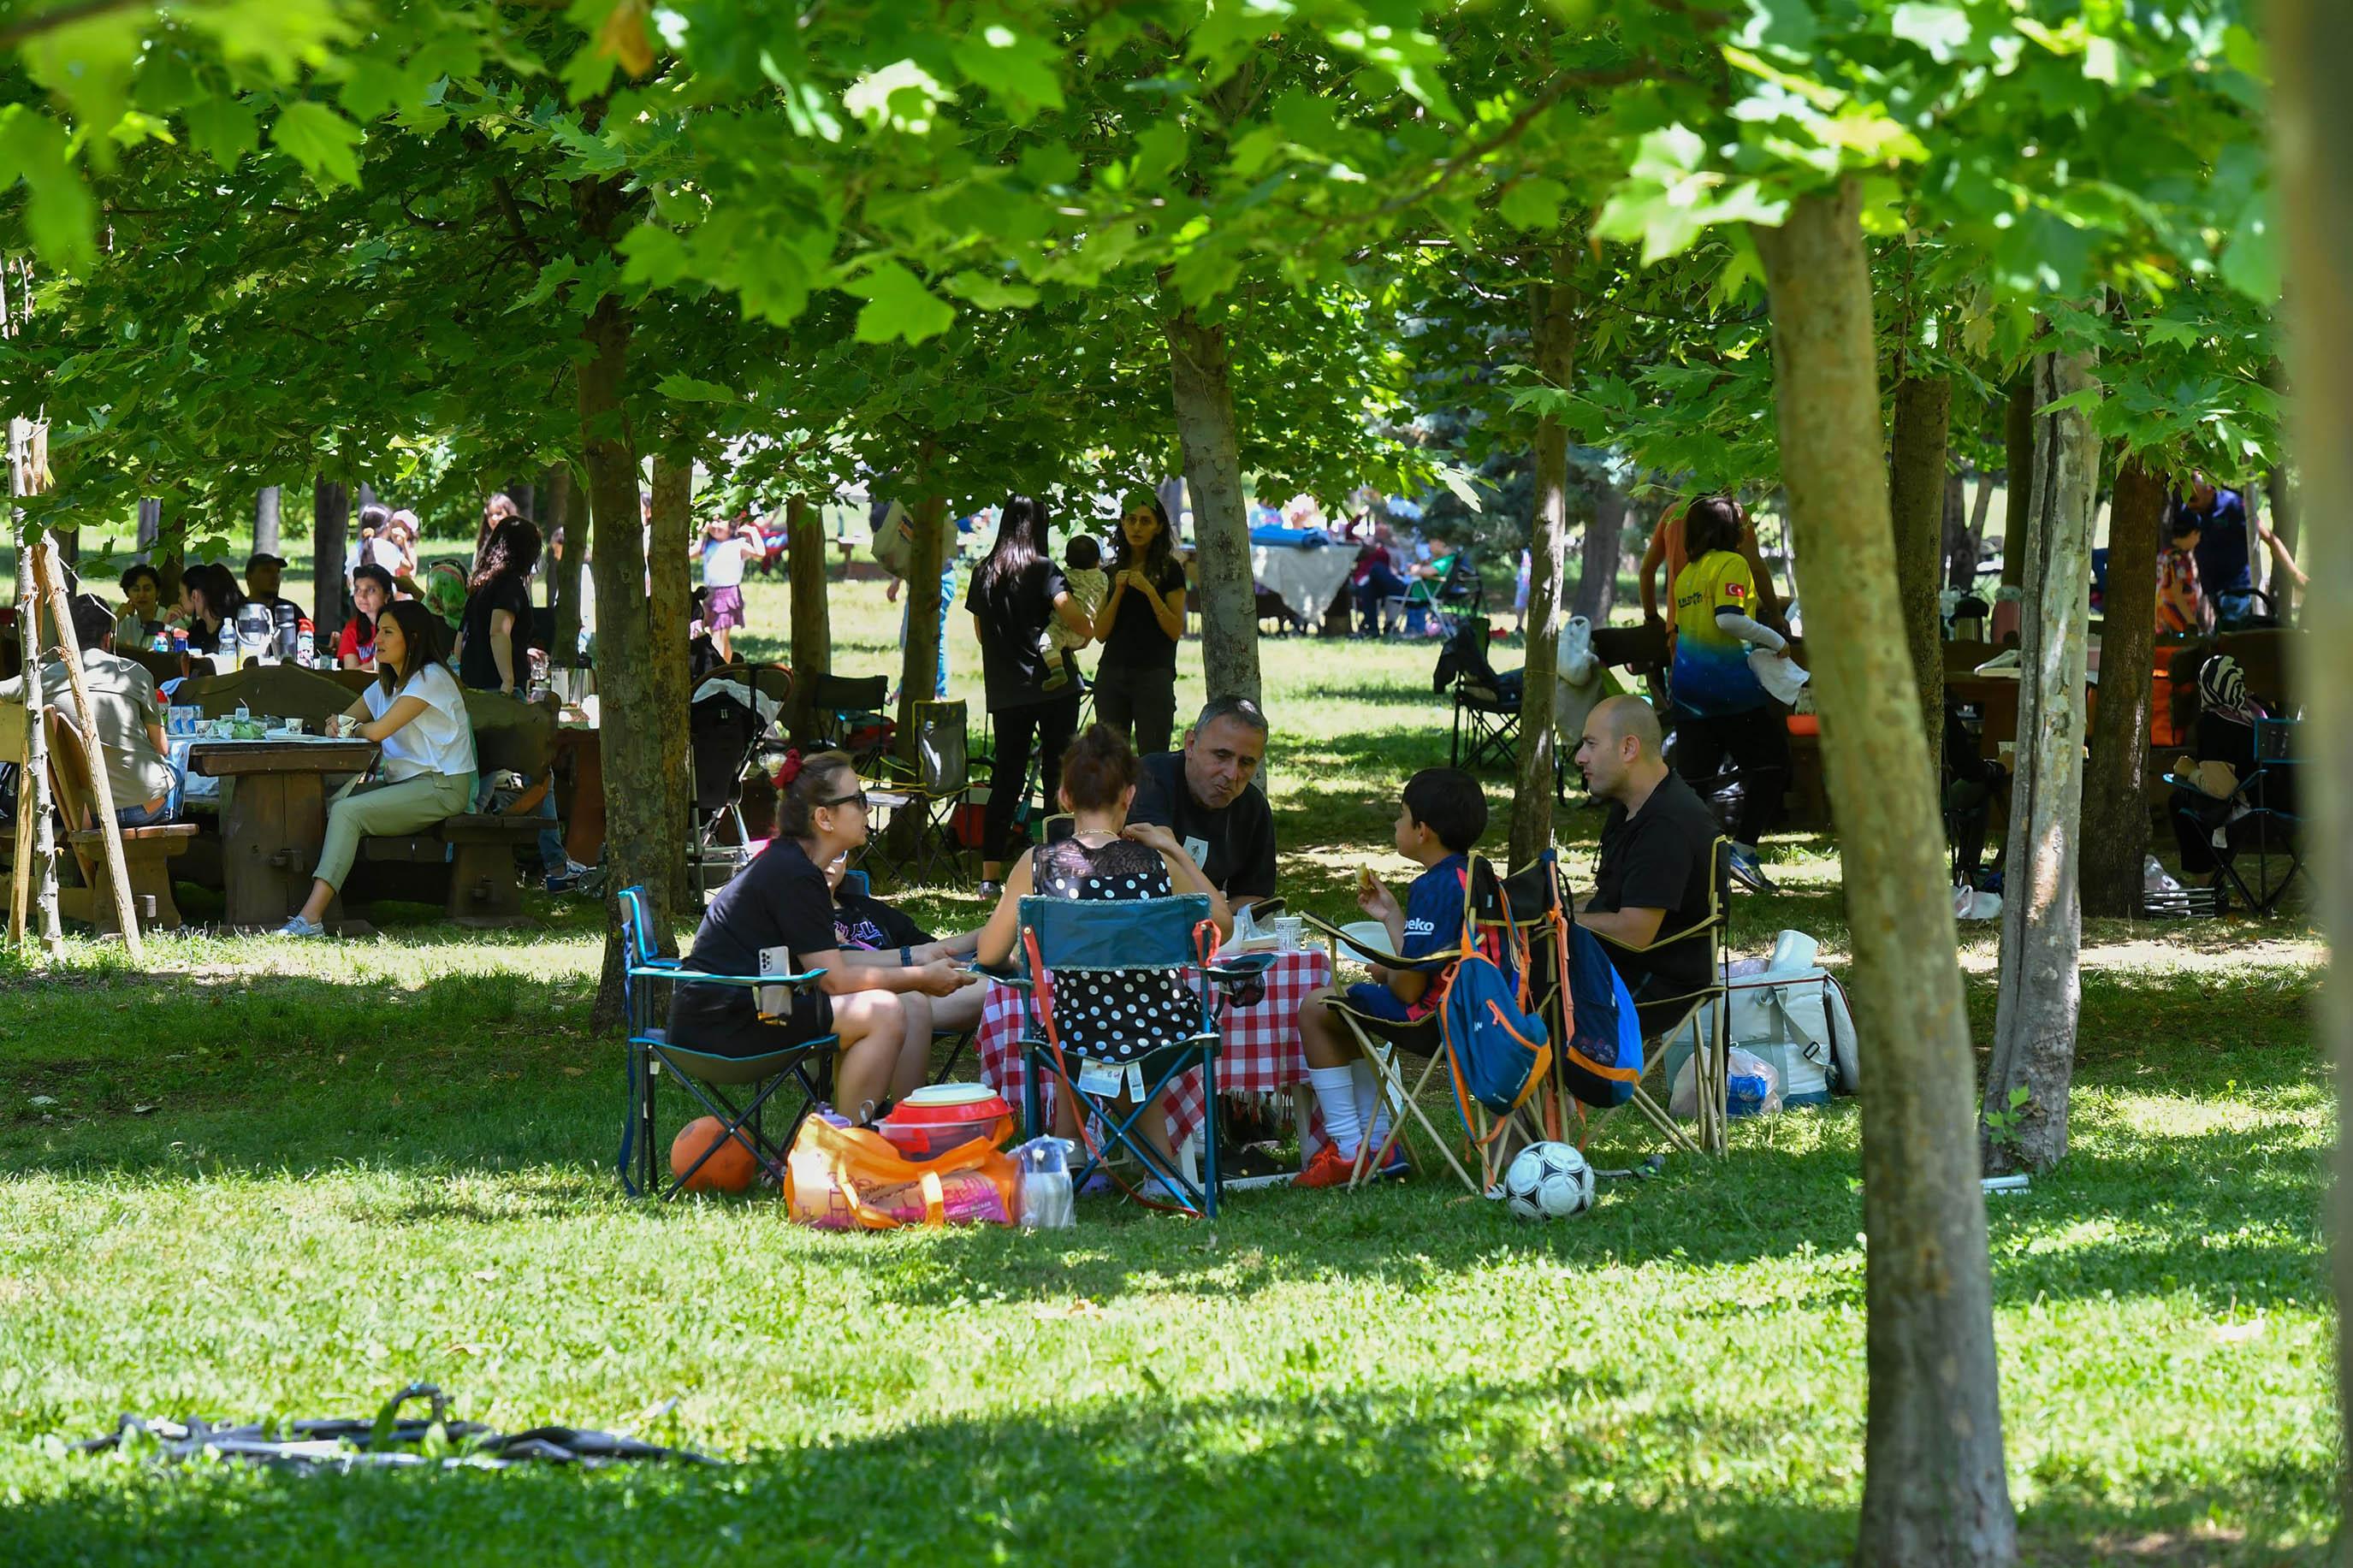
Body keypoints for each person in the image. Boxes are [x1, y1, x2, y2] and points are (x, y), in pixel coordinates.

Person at [973, 724, 1230, 1175]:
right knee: (1119, 1025)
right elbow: (1221, 927)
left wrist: (1022, 963)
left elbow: (990, 954)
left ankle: (1069, 1163)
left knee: (1075, 1018)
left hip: (1072, 1036)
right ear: (1129, 796)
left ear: (1064, 797)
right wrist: (1175, 850)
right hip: (1167, 1032)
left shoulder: (1036, 866)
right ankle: (1159, 1172)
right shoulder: (1159, 864)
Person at [669, 749, 976, 1117]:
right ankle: (845, 1145)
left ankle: (899, 1127)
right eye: (859, 800)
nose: (867, 809)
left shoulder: (794, 866)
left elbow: (832, 962)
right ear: (824, 818)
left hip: (749, 1008)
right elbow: (835, 979)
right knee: (884, 1011)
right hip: (726, 1023)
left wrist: (915, 957)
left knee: (905, 1003)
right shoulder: (795, 875)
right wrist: (921, 977)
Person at [1291, 767, 1493, 1189]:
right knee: (1346, 1010)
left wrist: (1387, 973)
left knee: (1316, 1008)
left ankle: (1351, 1151)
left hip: (1434, 1020)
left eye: (1401, 817)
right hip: (1480, 1014)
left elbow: (1408, 986)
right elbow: (1432, 958)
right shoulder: (1475, 875)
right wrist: (1392, 916)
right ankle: (1380, 1145)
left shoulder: (1433, 887)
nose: (1395, 825)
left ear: (1423, 831)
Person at [276, 603, 478, 937]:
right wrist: (339, 725)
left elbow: (375, 730)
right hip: (405, 784)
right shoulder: (388, 684)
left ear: (412, 639)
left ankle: (310, 918)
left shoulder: (430, 679)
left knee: (347, 812)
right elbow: (344, 720)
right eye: (378, 632)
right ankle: (321, 902)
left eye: (388, 632)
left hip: (442, 787)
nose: (378, 640)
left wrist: (350, 728)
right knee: (324, 803)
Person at [1571, 695, 1722, 1034]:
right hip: (1625, 965)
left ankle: (1562, 1088)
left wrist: (1559, 920)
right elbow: (1609, 904)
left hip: (1660, 985)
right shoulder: (1631, 806)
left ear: (1628, 748)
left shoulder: (1666, 824)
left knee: (1529, 1000)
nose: (1580, 757)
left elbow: (1635, 932)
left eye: (1591, 744)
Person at [968, 494, 1093, 894]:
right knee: (1060, 775)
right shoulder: (1043, 570)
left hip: (1007, 691)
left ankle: (989, 877)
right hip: (1053, 688)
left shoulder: (984, 572)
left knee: (1005, 779)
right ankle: (1058, 868)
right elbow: (1076, 618)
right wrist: (1083, 626)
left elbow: (981, 634)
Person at [1666, 495, 1789, 892]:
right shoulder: (1732, 564)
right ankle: (1744, 851)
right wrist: (1775, 640)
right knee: (1773, 765)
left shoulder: (1687, 573)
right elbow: (1729, 619)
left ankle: (1675, 867)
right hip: (1731, 693)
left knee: (1692, 784)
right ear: (1729, 530)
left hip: (1687, 693)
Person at [0, 594, 180, 827]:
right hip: (140, 808)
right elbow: (161, 748)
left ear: (65, 636)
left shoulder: (42, 677)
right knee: (175, 773)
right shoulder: (136, 673)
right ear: (109, 637)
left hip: (76, 813)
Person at [1128, 695, 1277, 914]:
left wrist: (1218, 910)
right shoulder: (1150, 777)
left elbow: (1255, 897)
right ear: (1190, 744)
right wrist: (1214, 906)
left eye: (1246, 762)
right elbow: (1164, 860)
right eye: (1221, 755)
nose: (1232, 774)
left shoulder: (1253, 808)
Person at [823, 851, 985, 1035]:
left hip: (920, 990)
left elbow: (930, 948)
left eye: (839, 854)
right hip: (874, 1003)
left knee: (1009, 984)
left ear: (847, 862)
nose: (828, 860)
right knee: (1006, 989)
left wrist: (985, 934)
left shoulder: (867, 908)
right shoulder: (801, 920)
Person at [1088, 493, 1188, 748]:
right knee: (1108, 758)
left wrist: (1150, 591)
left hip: (1154, 674)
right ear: (1122, 524)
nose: (1136, 527)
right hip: (1111, 673)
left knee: (1153, 756)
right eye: (1131, 520)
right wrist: (1119, 592)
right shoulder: (1110, 573)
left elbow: (1175, 629)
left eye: (1145, 521)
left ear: (1158, 527)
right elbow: (1100, 633)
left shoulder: (1170, 570)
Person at [456, 516, 541, 696]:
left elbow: (460, 640)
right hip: (500, 688)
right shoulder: (510, 585)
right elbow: (499, 631)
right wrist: (508, 680)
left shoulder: (480, 586)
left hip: (473, 685)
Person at [1040, 533, 1108, 695]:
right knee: (1068, 652)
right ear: (1098, 560)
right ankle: (1075, 675)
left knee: (1047, 643)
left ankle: (1057, 672)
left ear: (1067, 560)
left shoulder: (1064, 577)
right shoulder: (1103, 578)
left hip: (1064, 627)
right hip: (1088, 630)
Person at [696, 513, 762, 665]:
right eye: (712, 521)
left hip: (728, 596)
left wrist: (753, 532)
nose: (715, 525)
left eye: (720, 521)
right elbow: (688, 553)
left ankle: (717, 672)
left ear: (731, 525)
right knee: (720, 637)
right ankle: (727, 670)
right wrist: (699, 534)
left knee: (719, 637)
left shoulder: (738, 544)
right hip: (709, 595)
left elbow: (760, 553)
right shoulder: (707, 544)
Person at [2155, 509, 2208, 636]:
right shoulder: (2180, 560)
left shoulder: (2163, 555)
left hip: (2161, 622)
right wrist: (2192, 624)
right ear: (2193, 533)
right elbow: (2177, 593)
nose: (2198, 541)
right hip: (2176, 625)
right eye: (2198, 536)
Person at [1351, 522, 1410, 636]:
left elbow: (1401, 568)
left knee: (1376, 570)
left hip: (1402, 586)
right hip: (1377, 582)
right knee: (1368, 588)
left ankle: (1387, 624)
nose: (1380, 534)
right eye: (1378, 532)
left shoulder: (1392, 549)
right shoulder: (1370, 548)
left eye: (1383, 532)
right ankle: (1372, 629)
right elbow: (1350, 531)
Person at [176, 562, 242, 657]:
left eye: (181, 594)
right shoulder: (197, 631)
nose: (179, 600)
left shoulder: (230, 630)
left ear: (194, 595)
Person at [338, 564, 392, 670]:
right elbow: (351, 674)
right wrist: (378, 663)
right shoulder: (352, 629)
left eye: (371, 590)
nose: (362, 596)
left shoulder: (399, 625)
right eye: (357, 590)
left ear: (387, 596)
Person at [115, 564, 163, 646]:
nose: (141, 595)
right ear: (127, 594)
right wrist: (115, 620)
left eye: (147, 589)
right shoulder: (126, 625)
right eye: (136, 590)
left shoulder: (173, 623)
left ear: (158, 592)